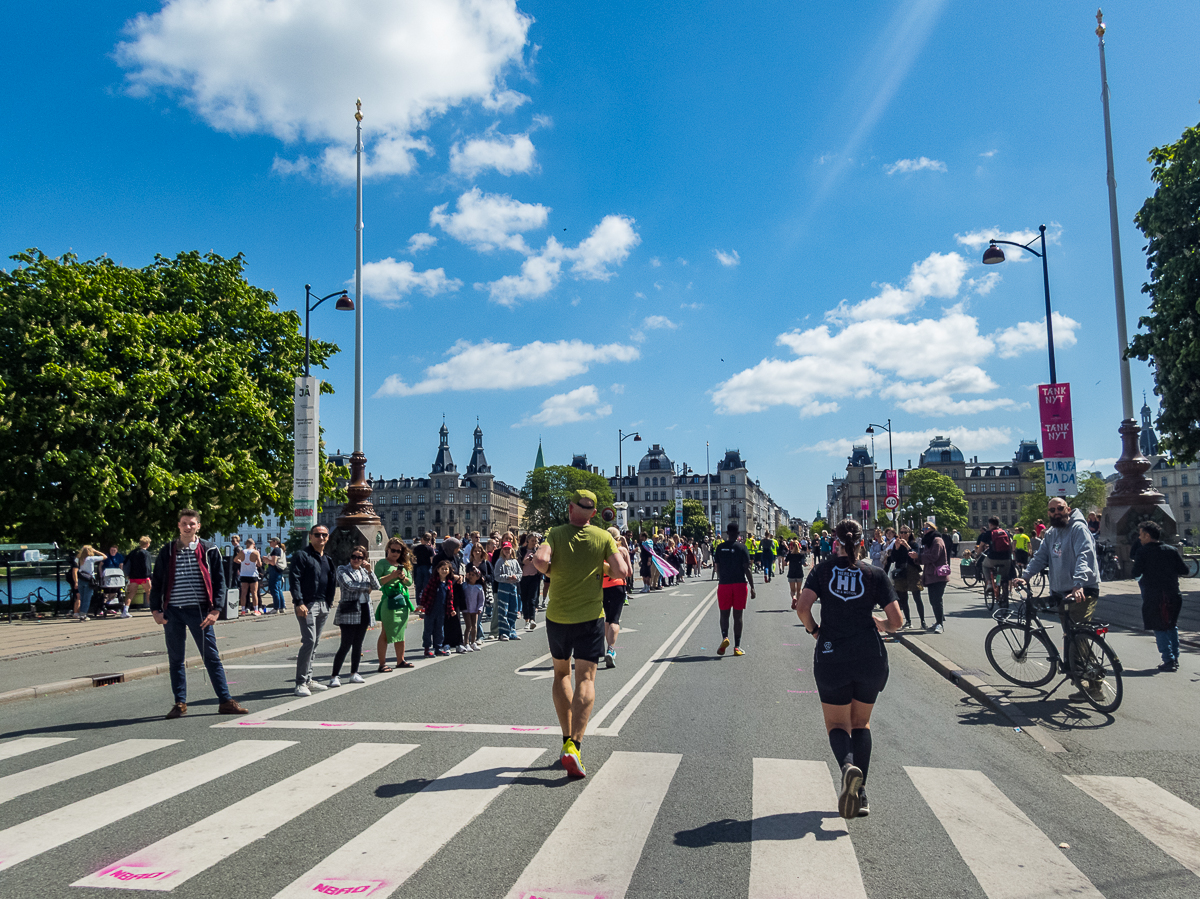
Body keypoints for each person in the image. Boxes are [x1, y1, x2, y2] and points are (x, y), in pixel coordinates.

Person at [793, 518, 902, 819]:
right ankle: (862, 794)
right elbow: (897, 622)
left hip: (832, 655)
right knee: (861, 724)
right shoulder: (875, 574)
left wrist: (814, 631)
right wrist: (878, 622)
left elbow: (803, 607)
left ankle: (846, 767)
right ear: (862, 541)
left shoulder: (822, 570)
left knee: (838, 725)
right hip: (870, 656)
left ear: (836, 542)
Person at [533, 489, 629, 779]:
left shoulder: (556, 533)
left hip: (558, 617)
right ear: (594, 513)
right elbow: (622, 570)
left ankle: (565, 740)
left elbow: (539, 562)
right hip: (590, 617)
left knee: (561, 674)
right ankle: (576, 745)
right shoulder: (603, 537)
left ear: (571, 507)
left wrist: (553, 570)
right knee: (586, 678)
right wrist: (601, 567)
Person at [148, 509, 250, 719]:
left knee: (211, 657)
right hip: (172, 612)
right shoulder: (168, 550)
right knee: (176, 659)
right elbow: (157, 581)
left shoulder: (209, 549)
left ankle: (225, 701)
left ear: (198, 526)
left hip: (200, 611)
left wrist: (216, 610)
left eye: (192, 524)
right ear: (178, 525)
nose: (188, 527)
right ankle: (180, 702)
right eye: (184, 523)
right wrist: (155, 610)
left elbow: (220, 581)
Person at [1011, 497, 1103, 702]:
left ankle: (1095, 684)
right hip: (1062, 592)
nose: (1056, 513)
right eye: (1052, 510)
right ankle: (1081, 678)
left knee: (1077, 634)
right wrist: (1025, 576)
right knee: (1070, 636)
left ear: (1068, 509)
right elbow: (1040, 558)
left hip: (1083, 589)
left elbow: (1085, 555)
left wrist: (1079, 583)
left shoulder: (1079, 529)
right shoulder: (1051, 534)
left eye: (1060, 509)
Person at [1131, 520, 1189, 672]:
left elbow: (1135, 572)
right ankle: (1175, 657)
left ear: (1148, 535)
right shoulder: (1171, 550)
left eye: (1141, 535)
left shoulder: (1143, 552)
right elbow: (1184, 570)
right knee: (1171, 625)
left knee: (1159, 627)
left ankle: (1168, 659)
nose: (1139, 538)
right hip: (1173, 593)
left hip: (1154, 595)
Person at [289, 524, 336, 696]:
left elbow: (331, 580)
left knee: (314, 643)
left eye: (324, 535)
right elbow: (294, 579)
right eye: (317, 535)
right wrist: (299, 602)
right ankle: (300, 682)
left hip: (323, 604)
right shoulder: (302, 555)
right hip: (307, 604)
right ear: (310, 536)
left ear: (328, 537)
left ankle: (308, 679)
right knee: (308, 641)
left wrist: (329, 601)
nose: (321, 538)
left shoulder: (327, 559)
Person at [328, 548, 381, 686]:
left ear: (364, 559)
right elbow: (349, 585)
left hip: (364, 609)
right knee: (345, 644)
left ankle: (354, 673)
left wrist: (370, 571)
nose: (356, 559)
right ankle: (334, 676)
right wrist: (366, 587)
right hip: (349, 609)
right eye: (353, 556)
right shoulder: (342, 569)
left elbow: (376, 586)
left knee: (358, 645)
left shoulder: (364, 571)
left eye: (360, 557)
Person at [713, 521, 756, 656]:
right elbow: (747, 568)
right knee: (738, 616)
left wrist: (721, 579)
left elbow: (717, 567)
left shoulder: (720, 548)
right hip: (739, 584)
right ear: (738, 534)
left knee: (724, 615)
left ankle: (725, 637)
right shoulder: (742, 548)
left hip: (724, 584)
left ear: (726, 533)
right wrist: (753, 586)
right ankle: (737, 647)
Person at [375, 538, 415, 670]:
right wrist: (391, 576)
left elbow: (409, 583)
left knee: (400, 632)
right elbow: (375, 581)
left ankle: (400, 660)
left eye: (399, 551)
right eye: (393, 550)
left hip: (402, 601)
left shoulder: (403, 564)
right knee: (386, 632)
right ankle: (382, 664)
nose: (395, 553)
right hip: (389, 601)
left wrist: (403, 577)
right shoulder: (382, 563)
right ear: (388, 549)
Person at [602, 527, 632, 669]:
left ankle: (606, 648)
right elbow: (629, 572)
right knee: (614, 619)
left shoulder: (601, 550)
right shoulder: (622, 551)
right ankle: (611, 649)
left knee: (607, 618)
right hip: (618, 586)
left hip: (602, 586)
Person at [885, 528, 924, 629]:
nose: (903, 534)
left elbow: (915, 556)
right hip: (900, 573)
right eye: (901, 532)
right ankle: (908, 621)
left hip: (913, 573)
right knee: (903, 599)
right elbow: (893, 559)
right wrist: (896, 548)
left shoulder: (914, 544)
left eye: (905, 532)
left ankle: (922, 621)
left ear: (910, 533)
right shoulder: (896, 544)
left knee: (917, 597)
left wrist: (907, 546)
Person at [419, 558, 454, 656]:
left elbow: (450, 598)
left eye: (446, 569)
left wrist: (451, 609)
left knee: (439, 630)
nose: (444, 571)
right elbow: (425, 593)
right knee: (428, 629)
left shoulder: (449, 583)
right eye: (442, 569)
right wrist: (422, 604)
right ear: (438, 570)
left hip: (442, 610)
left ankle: (438, 647)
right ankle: (427, 648)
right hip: (431, 609)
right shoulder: (433, 581)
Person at [976, 517, 1014, 608]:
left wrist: (976, 555)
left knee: (984, 565)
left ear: (990, 524)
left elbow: (981, 546)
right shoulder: (1006, 533)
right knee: (1001, 575)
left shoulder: (988, 533)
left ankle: (989, 583)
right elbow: (1011, 546)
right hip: (1006, 559)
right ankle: (1002, 589)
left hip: (993, 558)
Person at [918, 523, 949, 633]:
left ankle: (940, 624)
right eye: (924, 528)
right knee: (933, 600)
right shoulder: (928, 542)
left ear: (933, 529)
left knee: (936, 600)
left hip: (939, 575)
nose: (925, 530)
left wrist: (919, 557)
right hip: (931, 575)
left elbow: (934, 557)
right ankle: (938, 621)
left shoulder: (937, 540)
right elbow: (924, 558)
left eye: (927, 528)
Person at [492, 541, 522, 641]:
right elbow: (496, 576)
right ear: (502, 550)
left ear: (511, 549)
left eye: (508, 549)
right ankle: (503, 632)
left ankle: (512, 631)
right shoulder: (500, 561)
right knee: (503, 610)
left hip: (513, 588)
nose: (507, 551)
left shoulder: (515, 561)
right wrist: (507, 577)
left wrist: (516, 577)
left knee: (513, 610)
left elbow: (520, 573)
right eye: (505, 549)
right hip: (503, 588)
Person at [124, 536, 153, 618]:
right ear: (147, 544)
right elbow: (147, 566)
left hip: (133, 576)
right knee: (148, 592)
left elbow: (126, 562)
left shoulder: (133, 552)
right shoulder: (146, 553)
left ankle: (125, 610)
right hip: (144, 577)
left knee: (131, 593)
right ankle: (152, 609)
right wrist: (149, 575)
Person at [518, 533, 542, 632]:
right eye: (532, 541)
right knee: (524, 598)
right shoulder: (521, 550)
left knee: (532, 599)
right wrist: (524, 562)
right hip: (523, 577)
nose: (534, 543)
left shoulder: (538, 551)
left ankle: (532, 619)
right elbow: (517, 562)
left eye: (536, 541)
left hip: (534, 577)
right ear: (528, 541)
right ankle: (526, 620)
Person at [461, 566, 486, 651]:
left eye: (473, 575)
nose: (471, 576)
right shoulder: (464, 586)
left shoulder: (479, 587)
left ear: (477, 577)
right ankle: (466, 643)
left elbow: (481, 600)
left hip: (475, 609)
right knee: (468, 626)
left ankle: (473, 642)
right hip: (466, 609)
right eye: (470, 574)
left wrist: (480, 608)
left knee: (474, 626)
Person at [75, 545, 103, 620]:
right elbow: (105, 556)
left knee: (82, 597)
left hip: (81, 579)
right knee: (87, 598)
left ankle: (81, 613)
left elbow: (75, 562)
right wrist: (96, 551)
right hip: (89, 580)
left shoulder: (79, 559)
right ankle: (83, 615)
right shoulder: (91, 559)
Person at [236, 538, 263, 615]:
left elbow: (235, 559)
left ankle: (243, 610)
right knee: (254, 593)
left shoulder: (242, 552)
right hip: (253, 574)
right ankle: (256, 610)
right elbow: (259, 564)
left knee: (243, 593)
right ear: (253, 544)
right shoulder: (256, 552)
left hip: (244, 574)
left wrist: (241, 562)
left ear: (246, 544)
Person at [265, 536, 287, 614]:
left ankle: (276, 607)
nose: (270, 543)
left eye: (271, 541)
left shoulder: (276, 550)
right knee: (278, 589)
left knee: (274, 589)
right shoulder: (280, 550)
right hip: (279, 571)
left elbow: (273, 563)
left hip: (275, 571)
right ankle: (282, 606)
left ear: (275, 542)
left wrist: (265, 559)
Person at [412, 532, 435, 606]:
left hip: (419, 567)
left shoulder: (417, 548)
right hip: (427, 567)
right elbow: (432, 560)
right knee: (426, 586)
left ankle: (418, 603)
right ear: (430, 539)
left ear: (422, 539)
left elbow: (413, 559)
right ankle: (426, 603)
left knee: (418, 586)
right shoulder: (430, 549)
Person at [786, 539, 808, 607]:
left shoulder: (790, 555)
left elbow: (785, 563)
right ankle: (798, 603)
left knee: (792, 590)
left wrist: (788, 563)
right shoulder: (801, 555)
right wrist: (806, 564)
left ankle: (794, 597)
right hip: (799, 573)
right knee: (799, 590)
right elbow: (804, 563)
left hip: (791, 573)